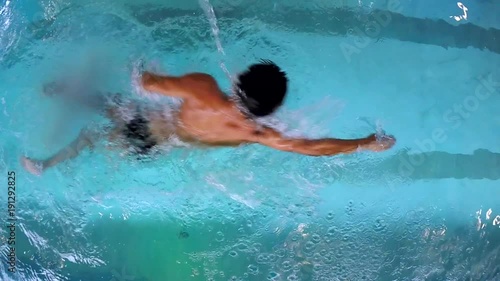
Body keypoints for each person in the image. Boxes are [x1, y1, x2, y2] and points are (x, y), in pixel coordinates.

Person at [20, 60, 395, 176]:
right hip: (159, 147)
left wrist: (144, 71)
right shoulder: (257, 132)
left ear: (237, 84)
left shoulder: (203, 88)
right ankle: (44, 163)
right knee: (99, 131)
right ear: (272, 109)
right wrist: (364, 143)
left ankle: (47, 155)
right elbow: (312, 147)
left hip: (152, 121)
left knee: (109, 110)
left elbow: (146, 81)